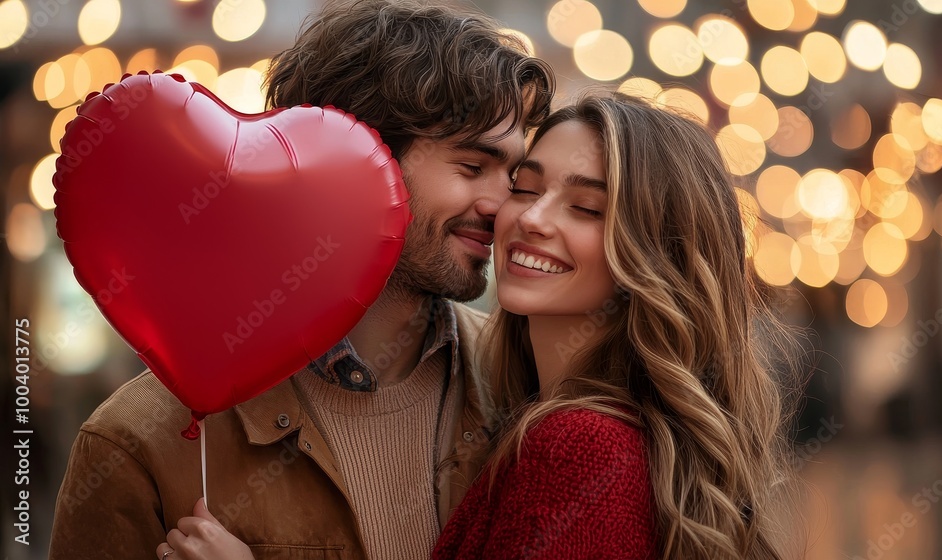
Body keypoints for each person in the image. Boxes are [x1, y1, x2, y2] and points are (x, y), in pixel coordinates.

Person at [149, 93, 804, 559]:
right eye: (526, 187)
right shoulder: (544, 420)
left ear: (657, 256)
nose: (529, 218)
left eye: (585, 206)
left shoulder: (578, 450)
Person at [48, 1, 553, 559]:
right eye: (471, 167)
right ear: (358, 162)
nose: (504, 206)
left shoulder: (531, 385)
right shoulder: (135, 443)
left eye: (514, 176)